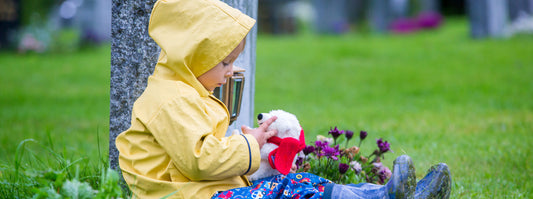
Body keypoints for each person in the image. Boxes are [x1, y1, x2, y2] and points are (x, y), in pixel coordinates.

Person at [115, 0, 451, 198]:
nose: (231, 71)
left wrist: (248, 146)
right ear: (193, 57)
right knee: (294, 187)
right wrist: (253, 144)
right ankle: (385, 196)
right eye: (224, 62)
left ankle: (382, 194)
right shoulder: (171, 99)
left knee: (301, 184)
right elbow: (200, 159)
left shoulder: (181, 91)